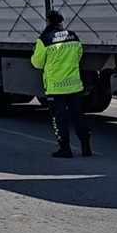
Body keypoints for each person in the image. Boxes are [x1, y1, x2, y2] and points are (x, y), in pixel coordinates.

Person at [31, 10, 92, 158]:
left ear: (48, 22)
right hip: (74, 85)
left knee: (60, 119)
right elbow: (78, 56)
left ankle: (65, 149)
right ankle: (86, 148)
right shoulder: (73, 36)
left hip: (56, 88)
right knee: (79, 116)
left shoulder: (44, 40)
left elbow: (37, 63)